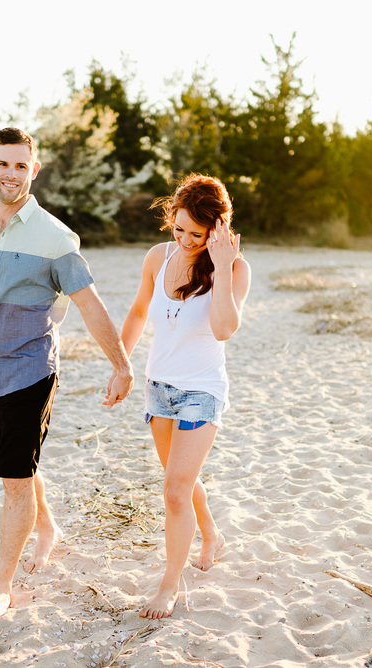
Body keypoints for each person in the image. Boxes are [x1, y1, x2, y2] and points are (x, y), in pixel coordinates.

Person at [0, 127, 134, 623]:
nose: (11, 174)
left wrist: (121, 364)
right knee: (17, 467)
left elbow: (90, 305)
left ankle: (0, 586)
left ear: (34, 169)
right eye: (3, 164)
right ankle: (47, 530)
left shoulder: (55, 238)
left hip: (29, 370)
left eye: (21, 165)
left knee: (14, 480)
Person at [113, 173, 251, 619]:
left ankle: (169, 585)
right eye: (180, 229)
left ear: (218, 228)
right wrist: (121, 365)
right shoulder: (158, 256)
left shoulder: (234, 270)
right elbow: (137, 312)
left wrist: (223, 265)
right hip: (159, 389)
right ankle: (212, 535)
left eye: (198, 233)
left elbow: (224, 329)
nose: (187, 240)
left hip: (202, 392)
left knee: (173, 491)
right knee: (183, 484)